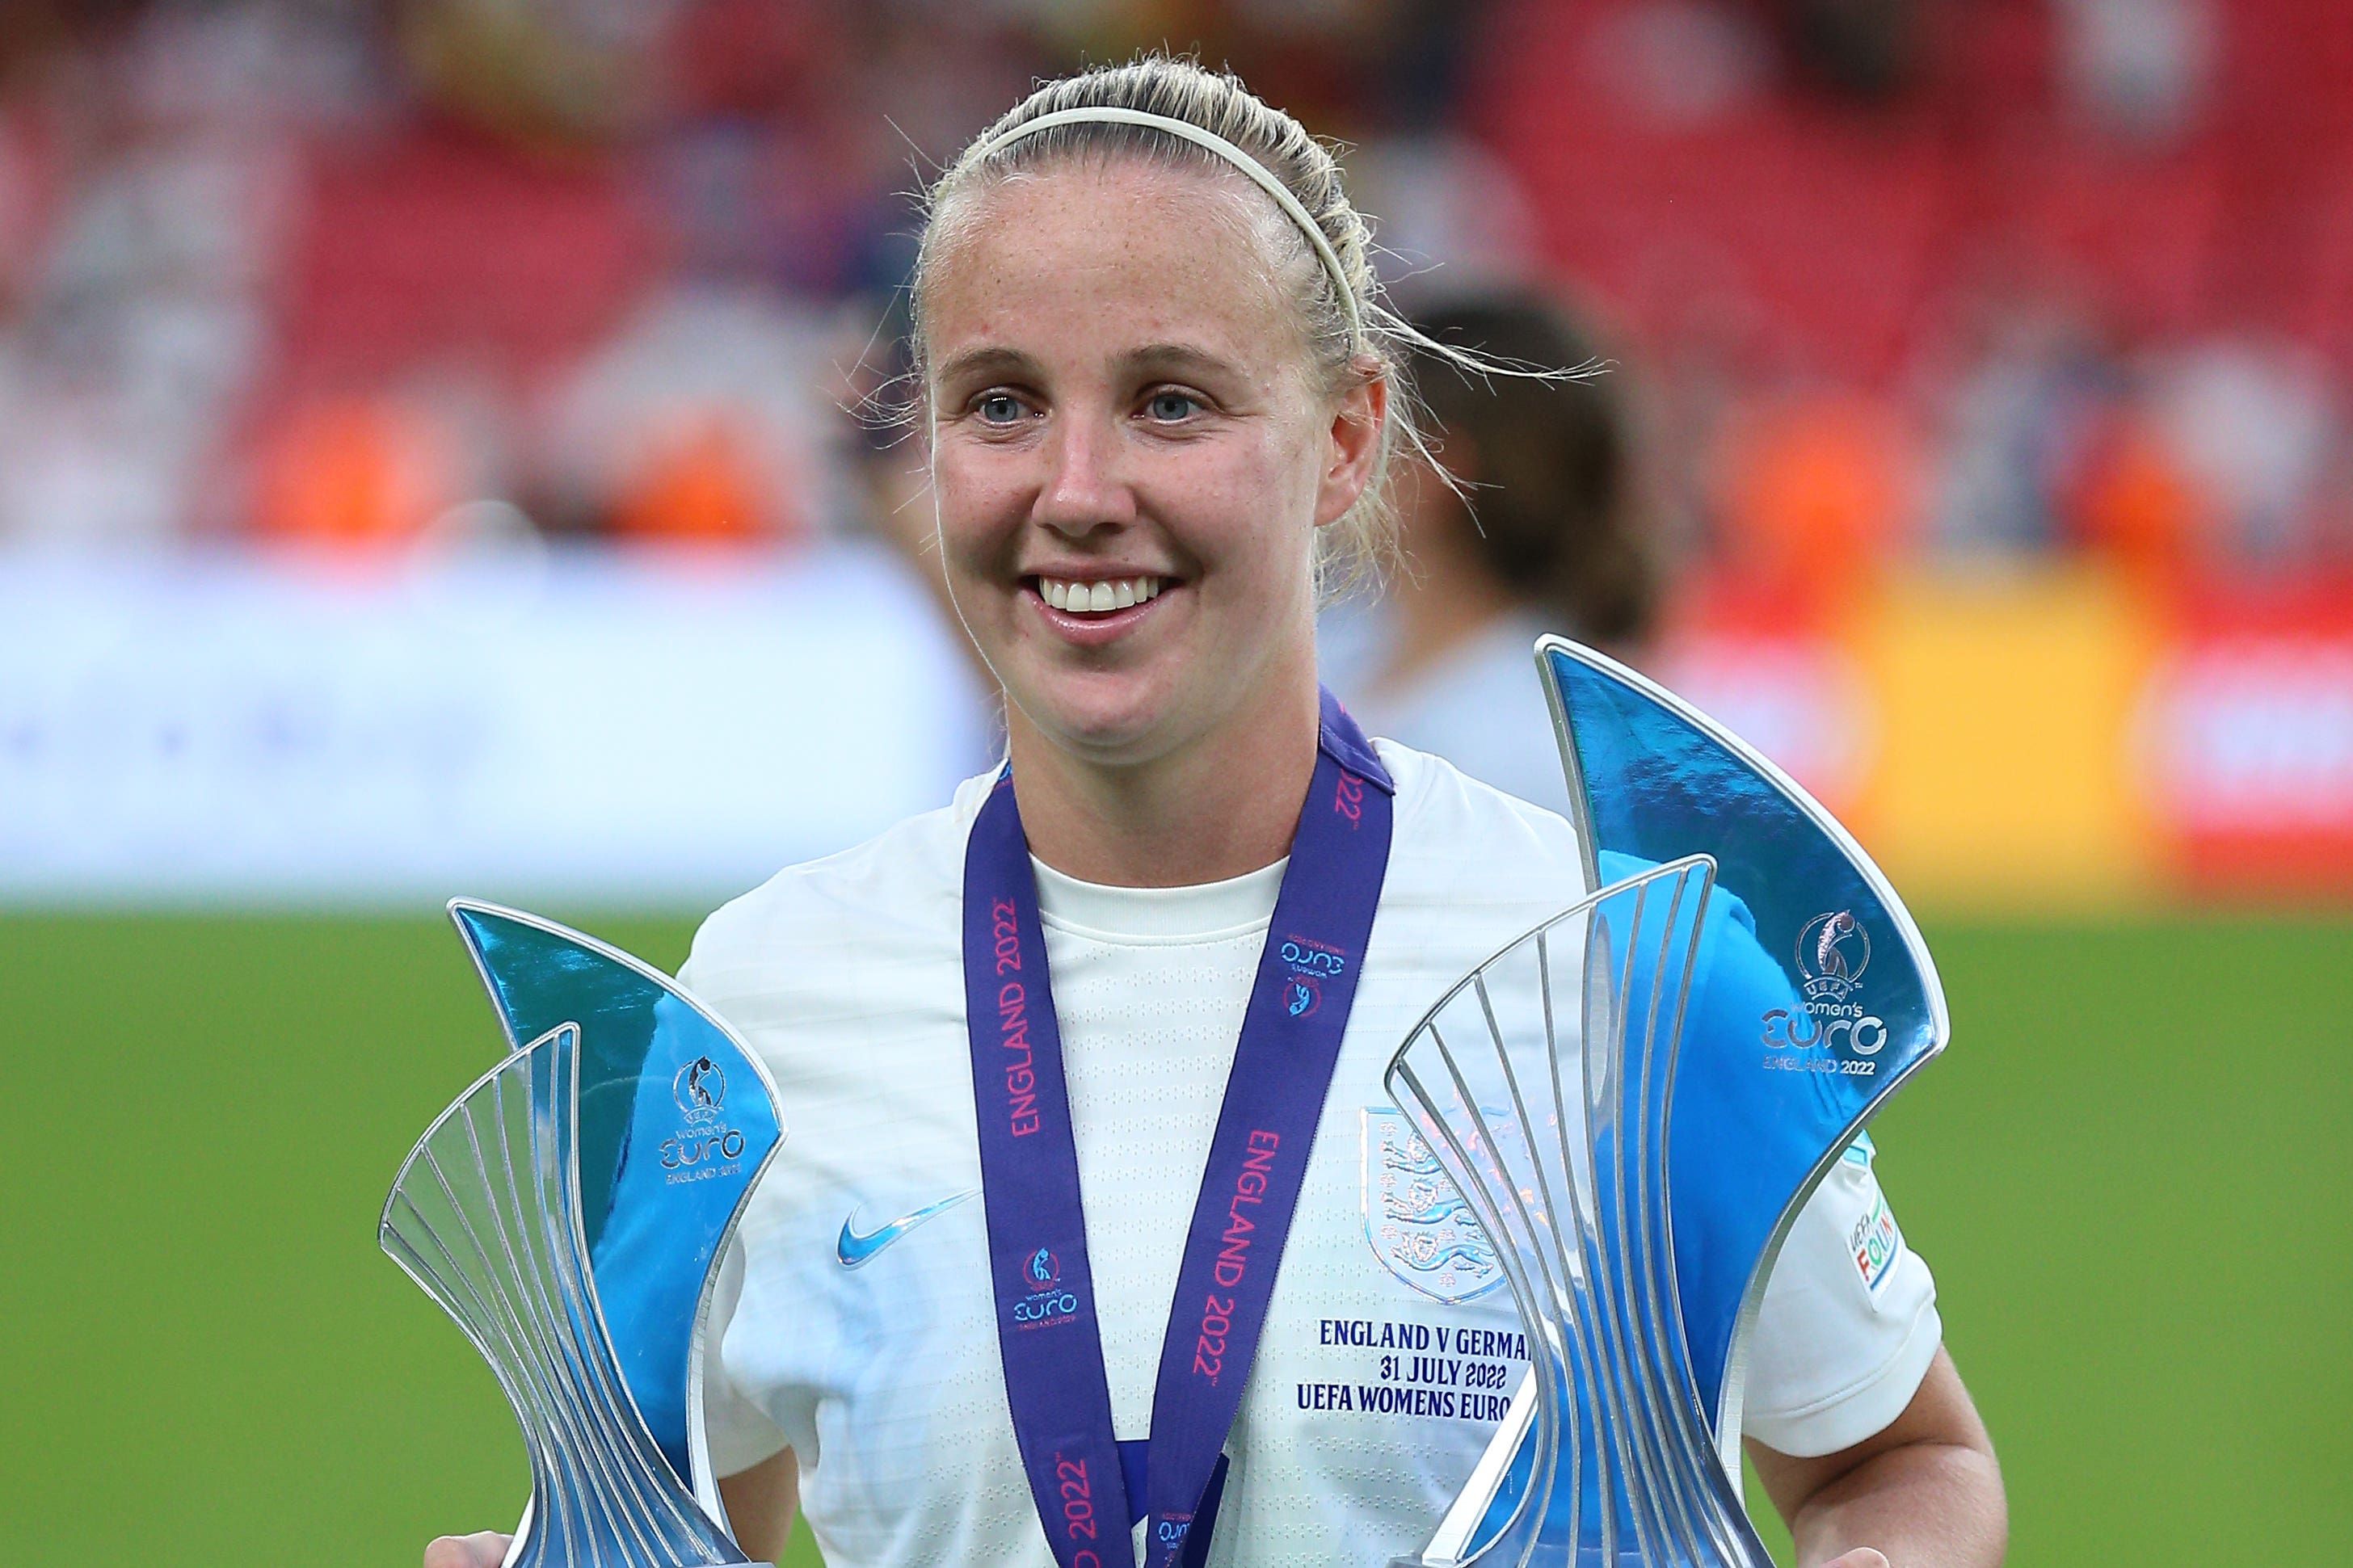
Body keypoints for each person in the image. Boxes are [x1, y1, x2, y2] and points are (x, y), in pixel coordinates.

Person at [427, 57, 2005, 1568]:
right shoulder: (764, 1003)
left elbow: (1893, 1453)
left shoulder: (1623, 963)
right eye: (997, 403)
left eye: (1172, 402)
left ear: (1342, 441)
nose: (1078, 485)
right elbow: (675, 1522)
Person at [1320, 289, 1657, 819]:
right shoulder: (1336, 652)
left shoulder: (1528, 750)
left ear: (1441, 466)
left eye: (1367, 427)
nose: (1337, 449)